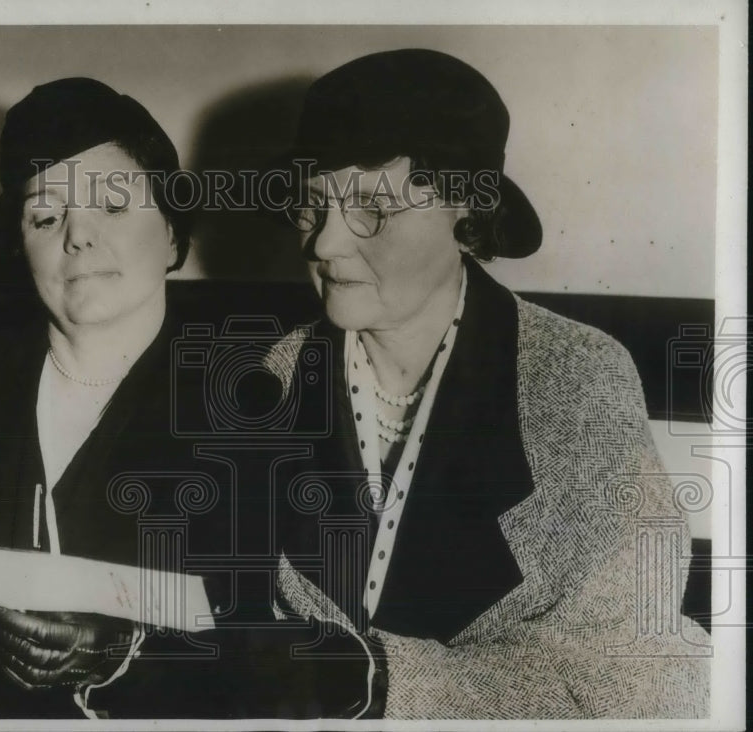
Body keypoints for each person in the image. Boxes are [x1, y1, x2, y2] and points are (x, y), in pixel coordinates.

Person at [263, 49, 711, 718]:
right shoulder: (271, 376)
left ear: (465, 210)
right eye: (311, 204)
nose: (324, 244)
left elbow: (629, 672)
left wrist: (384, 682)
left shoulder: (581, 380)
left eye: (369, 209)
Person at [0, 77, 240, 719]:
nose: (78, 236)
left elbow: (282, 631)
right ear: (22, 248)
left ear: (174, 237)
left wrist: (128, 652)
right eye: (46, 216)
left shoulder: (252, 396)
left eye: (115, 207)